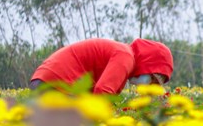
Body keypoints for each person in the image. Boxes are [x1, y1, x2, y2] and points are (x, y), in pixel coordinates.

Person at [30, 38, 173, 94]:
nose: (148, 85)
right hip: (55, 83)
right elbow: (103, 92)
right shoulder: (126, 57)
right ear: (149, 66)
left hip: (47, 79)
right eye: (153, 80)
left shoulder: (124, 59)